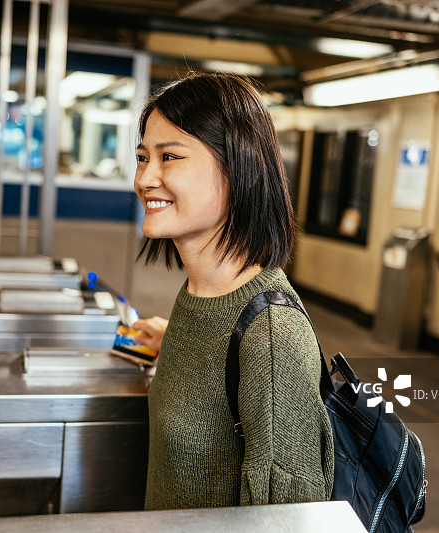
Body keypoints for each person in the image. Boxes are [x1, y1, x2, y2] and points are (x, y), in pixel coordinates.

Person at [131, 71, 334, 511]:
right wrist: (173, 341)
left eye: (170, 157)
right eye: (143, 156)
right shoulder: (199, 295)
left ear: (237, 169)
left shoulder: (273, 337)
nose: (146, 178)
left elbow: (286, 521)